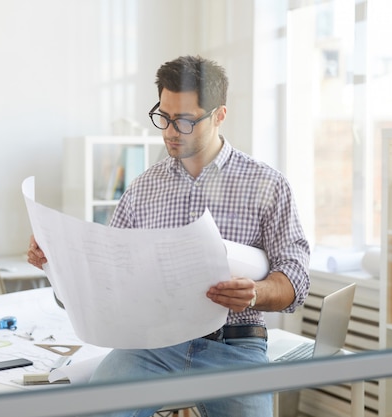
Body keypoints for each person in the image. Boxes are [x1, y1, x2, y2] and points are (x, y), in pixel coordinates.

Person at [27, 55, 310, 417]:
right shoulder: (143, 188)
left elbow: (295, 280)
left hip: (234, 348)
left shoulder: (267, 184)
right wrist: (57, 262)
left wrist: (256, 293)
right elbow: (107, 278)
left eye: (186, 121)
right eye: (164, 116)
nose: (170, 131)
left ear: (219, 115)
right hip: (152, 347)